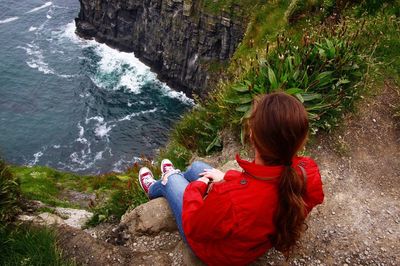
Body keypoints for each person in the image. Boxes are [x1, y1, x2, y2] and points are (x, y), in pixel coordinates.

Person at [138, 92, 324, 265]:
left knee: (173, 180)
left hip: (220, 254)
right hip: (255, 241)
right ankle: (175, 178)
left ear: (252, 136)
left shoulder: (230, 198)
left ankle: (157, 186)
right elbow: (264, 186)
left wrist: (197, 187)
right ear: (300, 140)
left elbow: (195, 227)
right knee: (198, 168)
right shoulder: (307, 171)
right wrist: (228, 177)